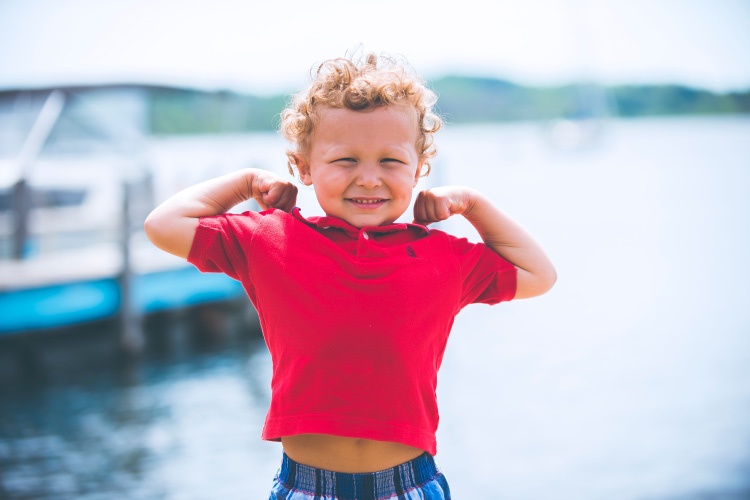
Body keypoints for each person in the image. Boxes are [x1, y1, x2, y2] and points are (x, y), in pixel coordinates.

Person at [144, 53, 556, 500]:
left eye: (390, 162)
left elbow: (539, 274)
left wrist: (473, 205)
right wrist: (244, 184)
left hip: (409, 484)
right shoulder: (270, 240)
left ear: (419, 169)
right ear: (303, 168)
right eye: (345, 160)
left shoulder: (444, 256)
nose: (368, 178)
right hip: (306, 486)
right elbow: (163, 226)